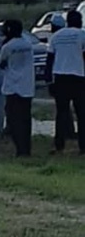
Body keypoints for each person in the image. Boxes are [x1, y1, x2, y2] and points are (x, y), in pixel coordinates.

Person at [46, 9, 85, 155]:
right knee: (81, 114)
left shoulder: (56, 36)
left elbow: (49, 60)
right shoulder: (82, 35)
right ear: (79, 21)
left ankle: (59, 145)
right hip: (79, 77)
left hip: (60, 77)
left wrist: (49, 81)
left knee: (61, 113)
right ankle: (83, 146)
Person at [0, 20, 34, 157]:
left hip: (12, 86)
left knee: (14, 119)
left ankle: (20, 149)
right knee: (25, 119)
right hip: (27, 86)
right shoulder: (27, 44)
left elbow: (1, 62)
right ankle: (27, 148)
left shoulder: (8, 47)